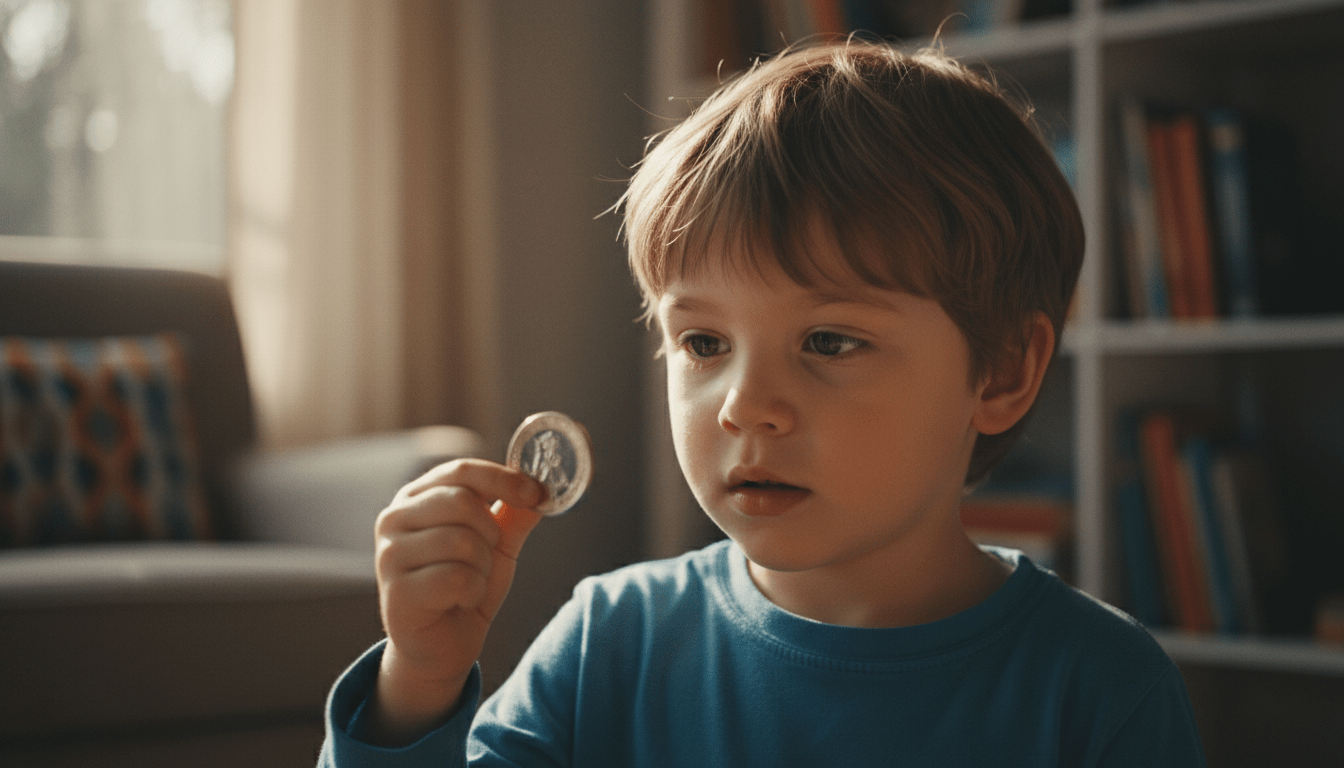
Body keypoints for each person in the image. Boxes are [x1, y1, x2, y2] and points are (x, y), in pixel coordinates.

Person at [320, 40, 1207, 766]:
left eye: (829, 342)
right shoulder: (608, 642)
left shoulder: (1100, 689)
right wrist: (419, 683)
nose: (744, 407)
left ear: (1003, 372)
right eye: (704, 344)